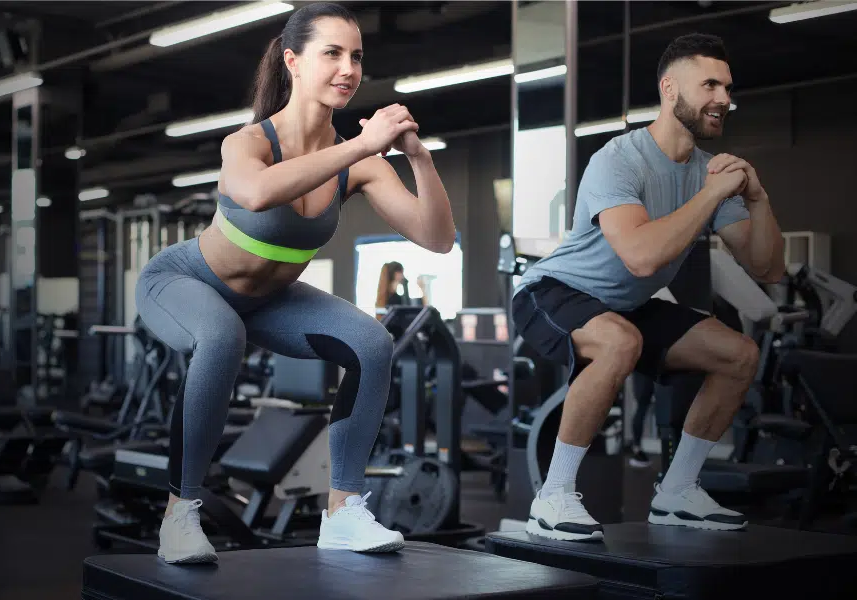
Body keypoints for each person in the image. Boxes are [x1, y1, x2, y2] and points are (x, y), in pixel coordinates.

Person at [135, 2, 455, 564]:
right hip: (188, 282)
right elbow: (256, 193)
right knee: (220, 335)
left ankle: (343, 512)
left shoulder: (362, 163)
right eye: (331, 53)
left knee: (372, 343)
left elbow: (437, 239)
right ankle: (179, 515)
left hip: (270, 301)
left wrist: (419, 159)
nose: (348, 68)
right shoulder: (249, 142)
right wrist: (359, 145)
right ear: (293, 62)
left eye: (356, 56)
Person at [512, 33, 784, 541]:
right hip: (552, 292)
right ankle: (552, 498)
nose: (723, 98)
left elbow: (767, 268)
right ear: (669, 89)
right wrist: (711, 196)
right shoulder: (620, 159)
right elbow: (640, 257)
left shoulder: (708, 172)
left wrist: (759, 198)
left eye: (727, 87)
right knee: (620, 342)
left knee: (739, 354)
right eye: (709, 84)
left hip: (626, 303)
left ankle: (678, 491)